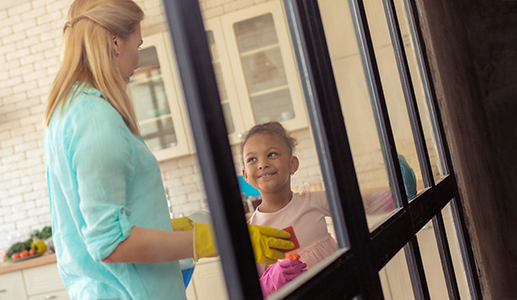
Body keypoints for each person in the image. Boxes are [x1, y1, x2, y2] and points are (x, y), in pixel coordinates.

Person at [43, 1, 294, 299]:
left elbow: (97, 226)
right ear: (114, 43)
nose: (137, 61)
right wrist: (221, 239)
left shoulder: (67, 113)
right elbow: (109, 243)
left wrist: (177, 227)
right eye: (137, 44)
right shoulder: (95, 119)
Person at [241, 122, 417, 296]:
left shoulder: (312, 201)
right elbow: (251, 291)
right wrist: (272, 281)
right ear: (246, 175)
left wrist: (399, 194)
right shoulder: (253, 232)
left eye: (271, 154)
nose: (262, 164)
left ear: (293, 164)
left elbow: (360, 204)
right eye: (252, 159)